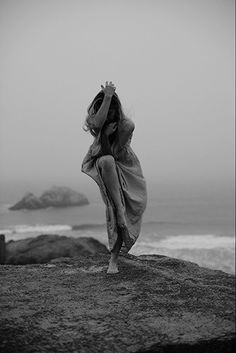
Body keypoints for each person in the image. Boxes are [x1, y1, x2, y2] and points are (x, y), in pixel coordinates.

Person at [81, 81, 147, 274]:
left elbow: (117, 153)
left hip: (127, 168)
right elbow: (96, 128)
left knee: (130, 209)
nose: (107, 116)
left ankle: (120, 215)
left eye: (110, 110)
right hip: (105, 165)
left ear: (116, 111)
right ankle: (113, 260)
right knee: (114, 206)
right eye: (103, 111)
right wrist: (107, 97)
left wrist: (111, 100)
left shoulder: (126, 126)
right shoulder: (99, 126)